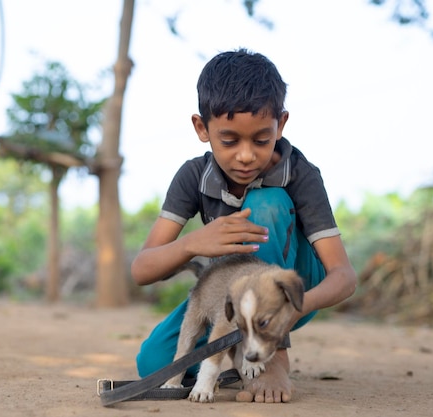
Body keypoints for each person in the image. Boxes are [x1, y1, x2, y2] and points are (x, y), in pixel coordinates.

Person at [130, 48, 357, 403]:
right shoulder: (193, 176)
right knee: (154, 365)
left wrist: (288, 310)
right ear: (202, 128)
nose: (247, 155)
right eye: (230, 140)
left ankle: (274, 355)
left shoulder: (300, 174)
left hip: (294, 287)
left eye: (262, 140)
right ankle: (242, 355)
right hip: (230, 296)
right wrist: (194, 243)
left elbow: (344, 276)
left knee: (266, 203)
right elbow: (142, 269)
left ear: (280, 125)